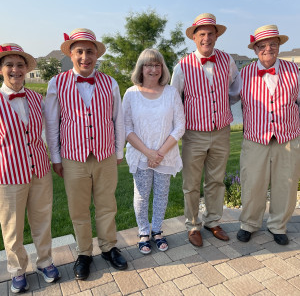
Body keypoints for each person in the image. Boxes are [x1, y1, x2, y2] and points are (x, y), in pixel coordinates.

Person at [45, 28, 127, 280]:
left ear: (96, 55)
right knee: (78, 209)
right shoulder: (56, 83)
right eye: (79, 51)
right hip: (73, 158)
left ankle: (108, 247)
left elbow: (118, 120)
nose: (84, 57)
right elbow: (52, 124)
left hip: (104, 156)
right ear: (71, 54)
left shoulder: (109, 82)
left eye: (89, 51)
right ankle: (83, 253)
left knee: (106, 205)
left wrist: (118, 150)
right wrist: (56, 158)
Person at [171, 13, 241, 247]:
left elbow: (234, 91)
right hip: (194, 134)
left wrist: (219, 111)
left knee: (216, 180)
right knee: (191, 183)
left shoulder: (227, 61)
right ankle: (192, 225)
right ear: (194, 37)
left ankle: (212, 221)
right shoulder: (182, 66)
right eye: (202, 34)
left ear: (217, 36)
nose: (207, 38)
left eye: (211, 33)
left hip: (221, 131)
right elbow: (174, 100)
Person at [0, 44, 60, 293]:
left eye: (20, 65)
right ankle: (16, 270)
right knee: (12, 226)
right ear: (2, 70)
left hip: (39, 170)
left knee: (42, 220)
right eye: (9, 65)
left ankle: (45, 261)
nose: (15, 70)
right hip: (9, 173)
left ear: (26, 69)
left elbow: (46, 133)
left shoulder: (37, 98)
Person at [237, 25, 300, 245]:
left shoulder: (295, 72)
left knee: (286, 183)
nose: (268, 49)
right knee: (252, 182)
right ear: (255, 49)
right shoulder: (243, 73)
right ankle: (249, 224)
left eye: (273, 44)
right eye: (262, 45)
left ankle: (278, 225)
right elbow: (227, 98)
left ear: (279, 46)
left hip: (288, 137)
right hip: (255, 138)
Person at [122, 49, 185, 254]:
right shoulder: (131, 93)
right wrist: (148, 153)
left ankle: (157, 230)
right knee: (141, 195)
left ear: (163, 68)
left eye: (157, 65)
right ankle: (143, 233)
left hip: (165, 155)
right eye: (149, 65)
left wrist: (160, 153)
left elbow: (180, 126)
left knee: (161, 194)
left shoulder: (171, 92)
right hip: (141, 155)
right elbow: (126, 127)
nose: (153, 69)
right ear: (141, 68)